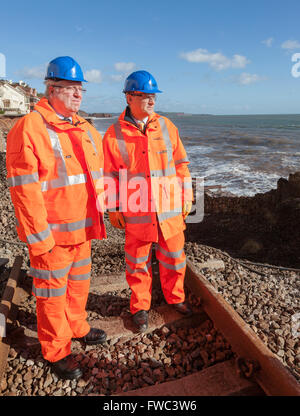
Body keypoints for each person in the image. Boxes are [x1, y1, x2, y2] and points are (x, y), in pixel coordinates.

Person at [6, 56, 107, 380]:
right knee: (51, 296)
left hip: (82, 232)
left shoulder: (85, 129)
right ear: (50, 90)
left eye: (80, 89)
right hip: (52, 238)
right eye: (70, 88)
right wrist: (41, 240)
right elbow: (25, 191)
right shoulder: (30, 128)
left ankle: (77, 327)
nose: (78, 95)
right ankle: (56, 351)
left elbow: (101, 173)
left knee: (78, 288)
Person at [103, 70, 193, 332]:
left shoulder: (167, 126)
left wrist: (187, 195)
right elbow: (108, 174)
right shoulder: (114, 133)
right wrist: (113, 206)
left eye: (153, 96)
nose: (152, 101)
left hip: (168, 209)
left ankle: (175, 298)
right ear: (130, 97)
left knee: (174, 256)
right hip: (137, 209)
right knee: (138, 261)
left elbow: (181, 165)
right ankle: (140, 307)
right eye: (145, 96)